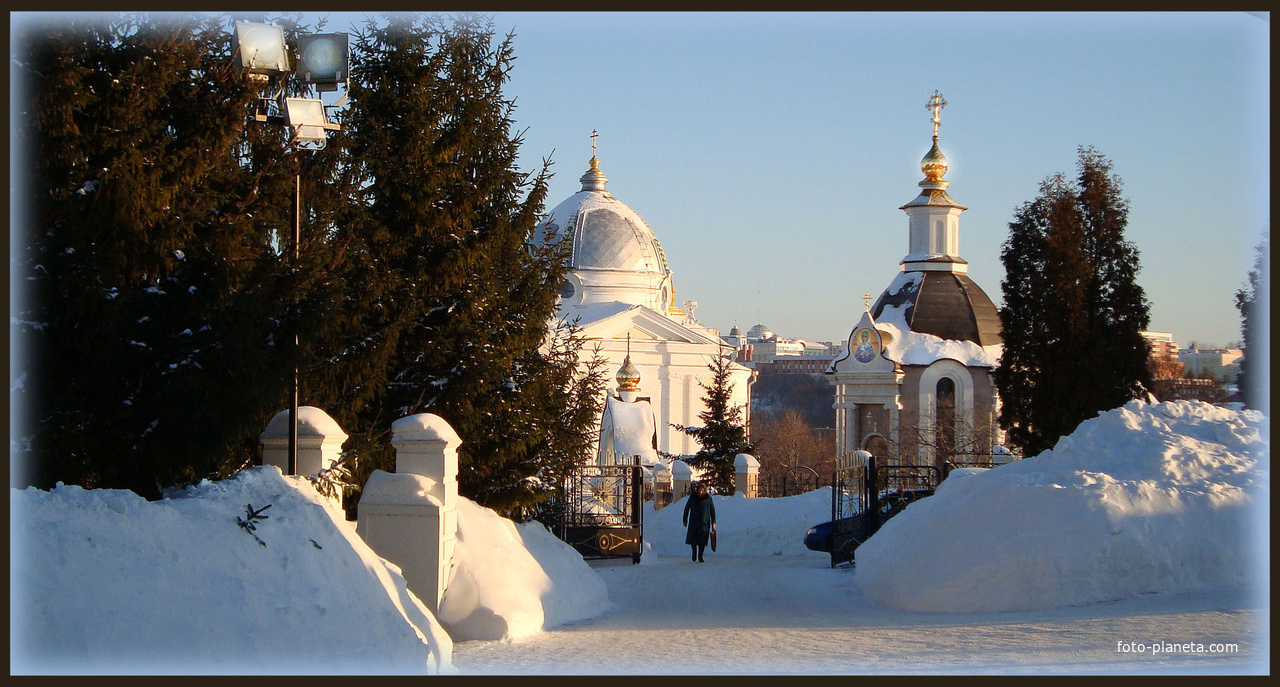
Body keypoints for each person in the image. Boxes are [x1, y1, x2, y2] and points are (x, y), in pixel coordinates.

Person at [682, 482, 716, 562]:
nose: (701, 491)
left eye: (702, 490)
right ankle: (694, 552)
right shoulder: (693, 497)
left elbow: (712, 511)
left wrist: (713, 522)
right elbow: (687, 508)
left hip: (704, 523)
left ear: (704, 490)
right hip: (694, 522)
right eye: (700, 490)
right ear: (697, 490)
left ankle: (700, 556)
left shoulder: (708, 498)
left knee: (702, 540)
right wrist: (685, 520)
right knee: (693, 539)